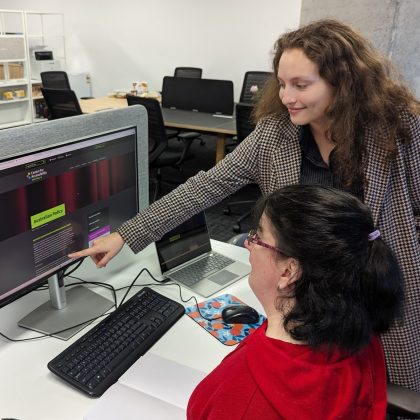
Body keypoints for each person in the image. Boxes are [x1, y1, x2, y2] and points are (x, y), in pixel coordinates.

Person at [69, 19, 420, 393]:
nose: (287, 97)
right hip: (306, 291)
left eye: (301, 85)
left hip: (378, 289)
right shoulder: (276, 134)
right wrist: (126, 233)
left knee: (384, 390)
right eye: (282, 84)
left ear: (344, 82)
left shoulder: (397, 128)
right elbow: (205, 186)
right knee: (313, 390)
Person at [187, 185, 403, 419]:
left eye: (258, 237)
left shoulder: (242, 399)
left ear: (288, 271)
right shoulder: (358, 331)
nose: (248, 244)